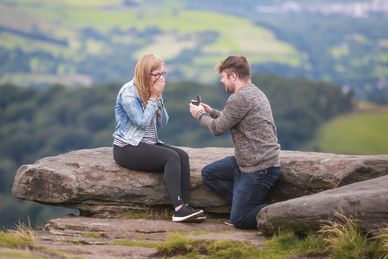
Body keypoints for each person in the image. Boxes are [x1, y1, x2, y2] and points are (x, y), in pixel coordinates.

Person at [189, 55, 281, 229]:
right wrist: (212, 112)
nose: (222, 82)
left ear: (233, 76)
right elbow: (229, 119)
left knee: (239, 220)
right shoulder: (253, 91)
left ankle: (276, 210)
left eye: (223, 77)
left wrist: (199, 114)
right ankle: (244, 202)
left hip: (259, 168)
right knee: (209, 173)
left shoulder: (239, 98)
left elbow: (217, 129)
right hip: (248, 161)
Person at [113, 53, 204, 223]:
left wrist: (158, 98)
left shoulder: (152, 91)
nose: (161, 78)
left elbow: (164, 122)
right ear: (145, 74)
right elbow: (140, 123)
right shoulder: (128, 93)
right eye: (157, 74)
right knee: (170, 157)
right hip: (127, 147)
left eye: (163, 74)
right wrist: (154, 98)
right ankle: (178, 209)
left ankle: (185, 206)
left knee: (182, 155)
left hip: (147, 143)